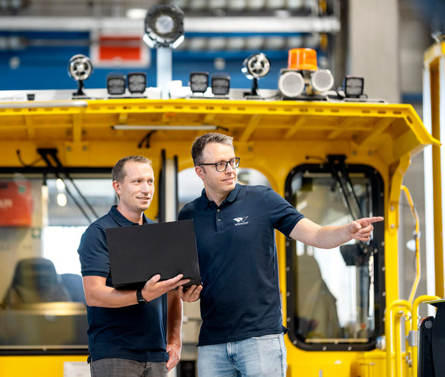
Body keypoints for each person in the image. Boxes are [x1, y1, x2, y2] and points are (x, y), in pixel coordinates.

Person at [177, 133, 383, 377]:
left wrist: (347, 231)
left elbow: (316, 234)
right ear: (200, 171)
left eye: (233, 161)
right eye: (220, 164)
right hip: (212, 343)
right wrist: (186, 292)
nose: (230, 169)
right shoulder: (188, 215)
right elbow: (187, 273)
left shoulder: (262, 200)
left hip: (260, 340)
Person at [78, 155, 197, 377]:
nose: (146, 189)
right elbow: (93, 294)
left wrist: (174, 339)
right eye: (137, 182)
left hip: (156, 356)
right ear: (118, 187)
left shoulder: (160, 233)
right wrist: (142, 295)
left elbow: (172, 292)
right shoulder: (98, 233)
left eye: (150, 181)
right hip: (114, 355)